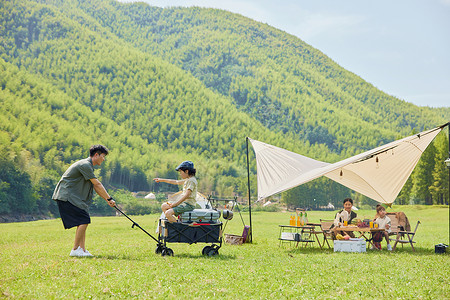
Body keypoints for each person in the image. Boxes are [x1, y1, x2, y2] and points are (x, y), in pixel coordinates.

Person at [52, 145, 115, 257]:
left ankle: (82, 250)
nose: (104, 159)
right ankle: (75, 250)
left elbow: (96, 187)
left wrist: (107, 200)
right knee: (84, 220)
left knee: (83, 220)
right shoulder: (85, 165)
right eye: (103, 156)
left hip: (73, 198)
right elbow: (97, 184)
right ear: (96, 155)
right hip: (66, 196)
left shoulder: (88, 166)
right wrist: (109, 198)